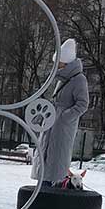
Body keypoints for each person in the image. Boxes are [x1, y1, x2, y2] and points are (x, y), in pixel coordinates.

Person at [31, 38, 90, 187]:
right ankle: (43, 185)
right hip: (52, 122)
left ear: (66, 62)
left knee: (57, 157)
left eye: (59, 62)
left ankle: (53, 187)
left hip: (62, 126)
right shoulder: (62, 79)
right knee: (44, 152)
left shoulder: (78, 79)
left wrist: (64, 117)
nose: (56, 65)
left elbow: (83, 104)